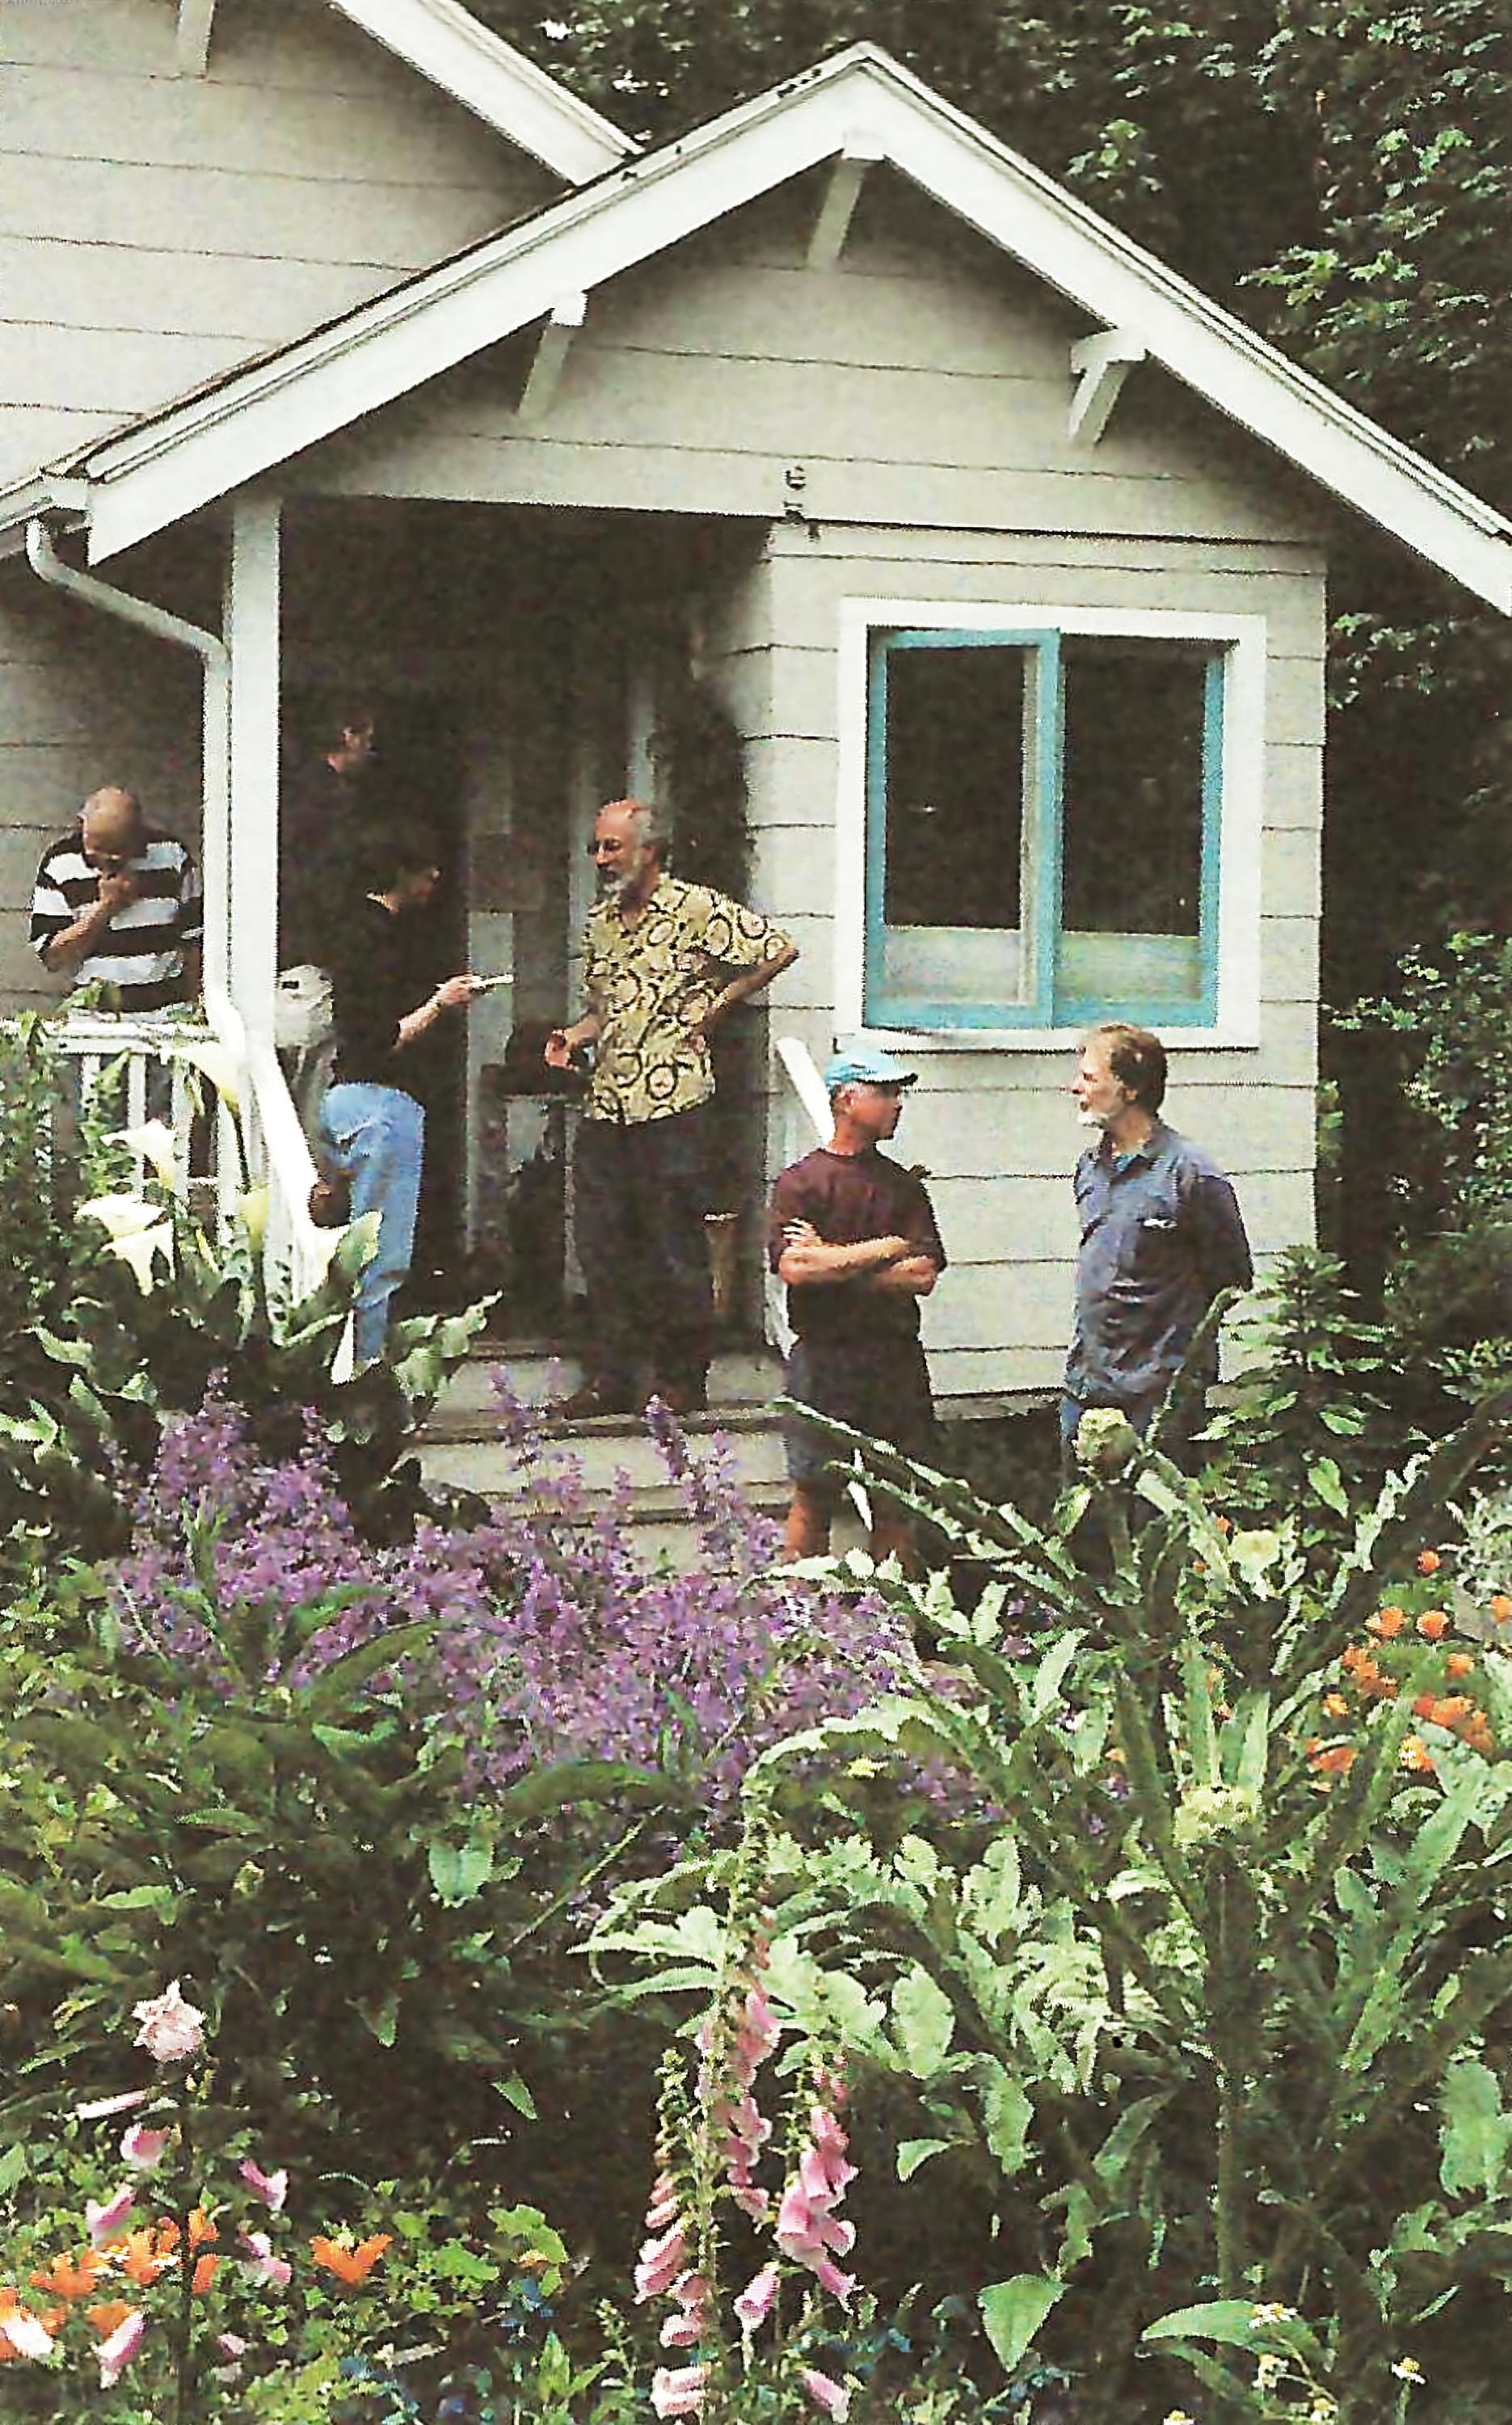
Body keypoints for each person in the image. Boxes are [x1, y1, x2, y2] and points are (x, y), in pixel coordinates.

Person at [544, 798, 798, 1419]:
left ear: (649, 851)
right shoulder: (600, 923)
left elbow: (777, 949)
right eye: (597, 848)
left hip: (674, 1098)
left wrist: (719, 1003)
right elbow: (605, 1009)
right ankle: (612, 1377)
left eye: (613, 847)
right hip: (608, 1103)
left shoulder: (694, 907)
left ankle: (682, 1378)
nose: (602, 860)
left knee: (672, 1244)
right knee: (604, 1247)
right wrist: (571, 1039)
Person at [317, 821, 484, 1366]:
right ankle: (361, 1375)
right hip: (377, 1104)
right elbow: (376, 1039)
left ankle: (354, 1366)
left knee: (359, 1247)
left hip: (354, 1102)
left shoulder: (369, 932)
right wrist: (440, 1003)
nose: (435, 876)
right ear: (400, 873)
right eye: (424, 867)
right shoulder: (374, 938)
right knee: (379, 1256)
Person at [769, 1048, 946, 1565]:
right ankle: (801, 1623)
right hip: (824, 1359)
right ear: (847, 1100)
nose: (897, 1104)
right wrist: (883, 1248)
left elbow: (923, 1274)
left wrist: (833, 1262)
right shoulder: (801, 1183)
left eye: (898, 1094)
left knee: (896, 1497)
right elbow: (796, 1269)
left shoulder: (901, 1186)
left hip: (893, 1360)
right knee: (813, 1494)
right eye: (884, 1092)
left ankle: (896, 1628)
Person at [1062, 1022, 1253, 1470]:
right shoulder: (1089, 1168)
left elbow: (1231, 1277)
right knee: (1081, 1527)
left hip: (1158, 1394)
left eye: (1089, 1078)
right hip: (1087, 1384)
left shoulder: (1190, 1174)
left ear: (1129, 1089)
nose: (1075, 1088)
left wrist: (1177, 1359)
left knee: (1155, 1526)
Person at [276, 705, 379, 1134]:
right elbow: (330, 887)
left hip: (274, 967)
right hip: (308, 975)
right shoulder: (333, 803)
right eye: (368, 738)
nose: (372, 750)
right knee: (306, 1118)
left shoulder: (282, 793)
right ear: (347, 733)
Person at [31, 786, 202, 1010]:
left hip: (167, 1014)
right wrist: (105, 910)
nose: (107, 867)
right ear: (82, 826)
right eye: (96, 857)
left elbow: (197, 942)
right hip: (93, 1018)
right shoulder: (59, 863)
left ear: (139, 835)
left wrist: (197, 1005)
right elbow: (53, 957)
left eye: (119, 856)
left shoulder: (172, 856)